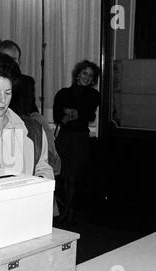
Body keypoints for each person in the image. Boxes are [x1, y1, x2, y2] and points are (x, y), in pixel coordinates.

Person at [0, 51, 54, 179]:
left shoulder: (32, 129)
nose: (2, 100)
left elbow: (42, 166)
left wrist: (40, 180)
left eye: (8, 93)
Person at [53, 60, 100, 224]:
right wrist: (76, 113)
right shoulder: (63, 92)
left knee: (73, 176)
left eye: (91, 75)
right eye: (84, 73)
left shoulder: (94, 95)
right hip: (65, 137)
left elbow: (89, 115)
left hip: (80, 138)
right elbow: (58, 117)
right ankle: (63, 210)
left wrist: (71, 113)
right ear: (78, 73)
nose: (87, 78)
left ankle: (69, 211)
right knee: (61, 176)